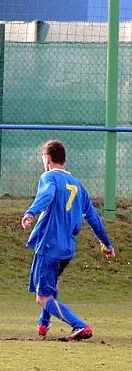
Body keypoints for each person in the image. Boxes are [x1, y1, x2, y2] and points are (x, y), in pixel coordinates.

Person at [21, 140, 115, 340]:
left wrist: (31, 212)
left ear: (47, 158)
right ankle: (43, 324)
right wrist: (107, 244)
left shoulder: (49, 177)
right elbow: (93, 218)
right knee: (50, 287)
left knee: (43, 297)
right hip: (67, 249)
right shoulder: (78, 186)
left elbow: (46, 195)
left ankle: (80, 325)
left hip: (49, 245)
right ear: (65, 159)